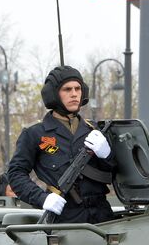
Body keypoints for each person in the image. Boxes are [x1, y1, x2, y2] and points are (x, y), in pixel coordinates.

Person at [8, 65, 115, 224]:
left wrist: (108, 155)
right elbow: (16, 174)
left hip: (101, 215)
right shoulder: (36, 133)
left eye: (78, 88)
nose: (74, 94)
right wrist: (42, 198)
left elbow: (117, 174)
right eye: (67, 89)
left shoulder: (94, 130)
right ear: (53, 94)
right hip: (65, 216)